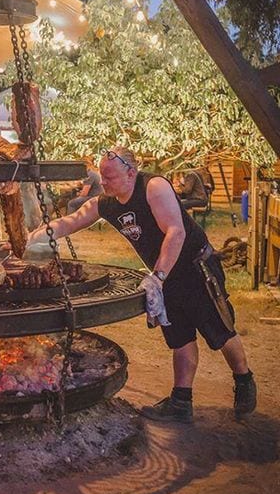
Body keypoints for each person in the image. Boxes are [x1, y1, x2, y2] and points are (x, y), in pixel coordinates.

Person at [26, 145, 256, 424]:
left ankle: (244, 380)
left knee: (219, 330)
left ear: (131, 172)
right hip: (164, 276)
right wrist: (33, 237)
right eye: (102, 176)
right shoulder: (107, 203)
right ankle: (181, 402)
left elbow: (176, 231)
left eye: (109, 177)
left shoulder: (153, 187)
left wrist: (157, 277)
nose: (104, 182)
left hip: (196, 268)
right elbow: (71, 222)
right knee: (179, 337)